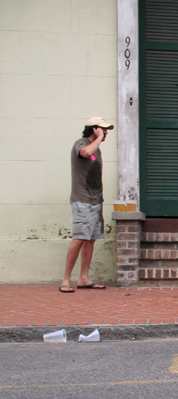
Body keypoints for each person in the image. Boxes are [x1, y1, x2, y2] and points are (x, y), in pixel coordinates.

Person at [59, 117, 113, 293]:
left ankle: (83, 278)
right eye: (103, 130)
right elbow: (84, 153)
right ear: (95, 129)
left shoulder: (97, 150)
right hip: (82, 199)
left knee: (90, 239)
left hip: (95, 200)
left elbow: (91, 157)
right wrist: (97, 137)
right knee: (79, 238)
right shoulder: (81, 143)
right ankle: (66, 280)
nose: (106, 134)